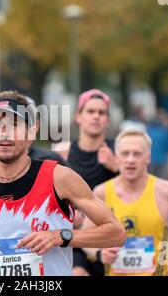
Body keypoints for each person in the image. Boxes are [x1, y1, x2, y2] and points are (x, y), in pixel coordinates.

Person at [0, 91, 126, 276]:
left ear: (32, 132)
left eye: (15, 125)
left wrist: (61, 236)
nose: (5, 133)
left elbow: (116, 232)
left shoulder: (59, 178)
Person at [84, 130, 168, 276]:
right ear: (116, 158)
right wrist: (100, 253)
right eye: (125, 153)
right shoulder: (102, 193)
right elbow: (86, 236)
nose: (130, 160)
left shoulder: (167, 191)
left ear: (148, 158)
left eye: (137, 154)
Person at [53, 89, 119, 276]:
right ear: (79, 117)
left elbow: (143, 186)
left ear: (107, 119)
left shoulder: (120, 151)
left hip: (109, 232)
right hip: (75, 235)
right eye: (90, 112)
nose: (96, 117)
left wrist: (116, 167)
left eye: (101, 113)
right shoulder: (62, 153)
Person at [147, 109, 168, 179]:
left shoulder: (148, 131)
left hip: (151, 160)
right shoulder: (165, 132)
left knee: (151, 180)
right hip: (162, 160)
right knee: (162, 181)